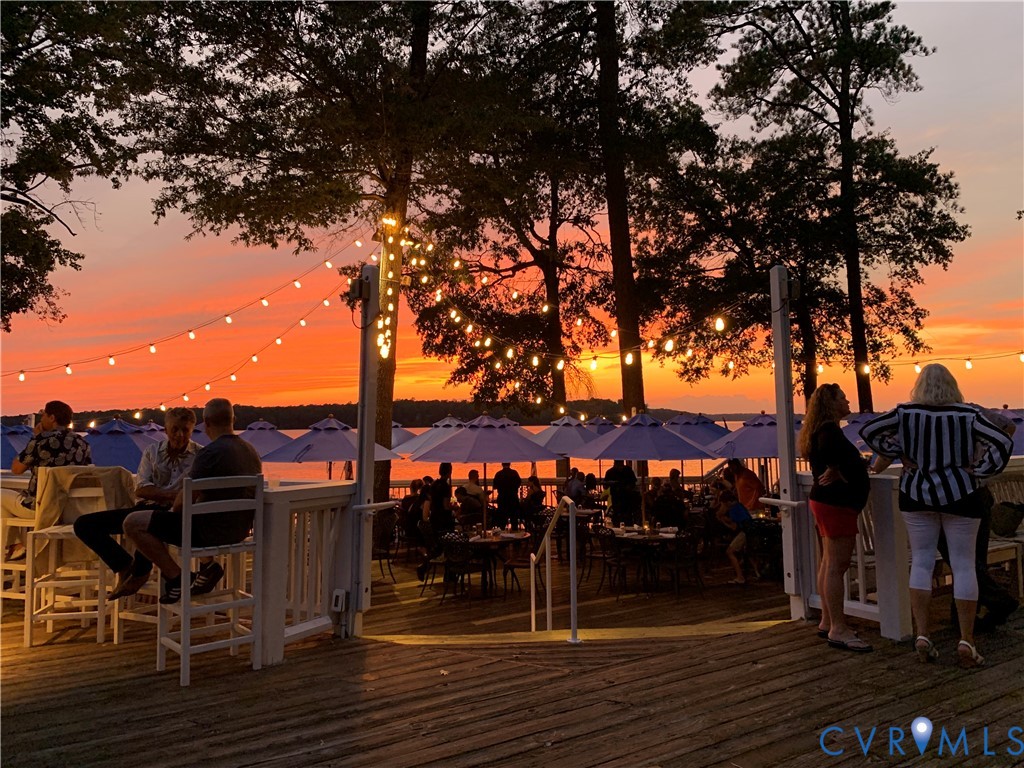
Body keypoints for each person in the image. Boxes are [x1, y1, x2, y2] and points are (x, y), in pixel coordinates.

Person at [860, 364, 1012, 668]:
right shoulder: (968, 414)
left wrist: (898, 450)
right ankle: (966, 639)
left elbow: (869, 431)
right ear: (952, 385)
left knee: (922, 561)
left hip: (915, 494)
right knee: (964, 565)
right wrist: (981, 469)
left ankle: (923, 634)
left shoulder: (905, 413)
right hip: (962, 494)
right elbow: (1003, 441)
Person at [123, 398, 262, 603]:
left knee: (133, 523)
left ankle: (177, 576)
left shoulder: (209, 454)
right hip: (240, 531)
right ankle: (207, 567)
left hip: (206, 532)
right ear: (233, 419)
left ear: (205, 423)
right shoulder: (251, 452)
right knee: (156, 521)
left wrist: (167, 519)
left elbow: (181, 504)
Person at [73, 407, 201, 599]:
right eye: (175, 429)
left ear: (192, 430)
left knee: (146, 525)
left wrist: (165, 496)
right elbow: (141, 488)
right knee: (84, 524)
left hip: (174, 515)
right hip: (145, 508)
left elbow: (196, 493)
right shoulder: (153, 451)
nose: (180, 434)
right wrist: (173, 494)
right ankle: (124, 565)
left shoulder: (200, 456)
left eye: (185, 430)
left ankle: (140, 572)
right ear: (166, 429)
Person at [799, 384, 871, 653]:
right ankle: (838, 629)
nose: (848, 400)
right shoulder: (829, 432)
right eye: (843, 397)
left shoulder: (822, 430)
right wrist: (835, 470)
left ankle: (827, 620)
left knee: (829, 562)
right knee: (836, 566)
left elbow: (836, 458)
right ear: (831, 404)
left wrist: (848, 467)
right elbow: (830, 454)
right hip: (836, 504)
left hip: (828, 502)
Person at [2, 400, 91, 559]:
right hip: (70, 510)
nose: (41, 418)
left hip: (42, 507)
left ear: (52, 417)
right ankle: (14, 547)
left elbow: (16, 469)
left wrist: (34, 439)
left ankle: (14, 546)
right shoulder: (82, 442)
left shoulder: (41, 441)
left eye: (43, 415)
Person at [715, 489, 752, 584]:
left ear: (727, 502)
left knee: (730, 552)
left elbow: (733, 527)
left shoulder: (733, 509)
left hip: (744, 533)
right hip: (750, 531)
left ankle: (740, 576)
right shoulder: (739, 506)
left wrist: (722, 520)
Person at [604, 460, 638, 526]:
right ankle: (618, 528)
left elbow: (633, 483)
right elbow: (605, 486)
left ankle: (627, 528)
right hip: (616, 498)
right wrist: (609, 483)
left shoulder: (628, 470)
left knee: (627, 517)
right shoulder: (610, 472)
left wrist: (627, 487)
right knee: (617, 516)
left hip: (627, 498)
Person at [492, 462, 522, 528]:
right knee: (514, 519)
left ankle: (502, 533)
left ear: (502, 464)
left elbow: (494, 486)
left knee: (502, 519)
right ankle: (515, 534)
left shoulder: (498, 474)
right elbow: (518, 483)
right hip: (513, 498)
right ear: (509, 464)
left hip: (502, 498)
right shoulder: (514, 473)